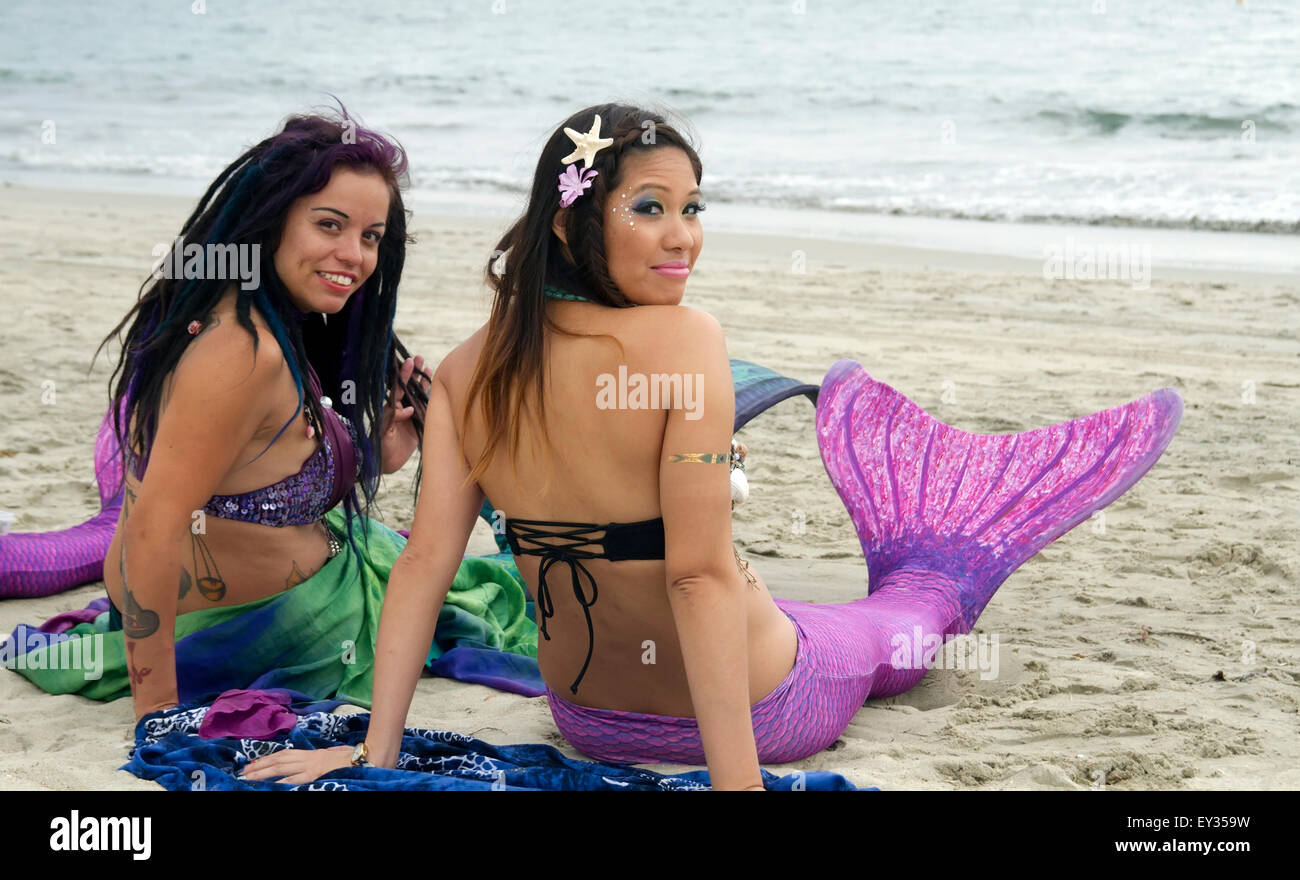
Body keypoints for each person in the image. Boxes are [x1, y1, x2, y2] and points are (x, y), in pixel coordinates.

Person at [243, 103, 1180, 789]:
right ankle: (938, 564)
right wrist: (738, 787)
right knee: (901, 624)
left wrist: (376, 755)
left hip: (591, 722)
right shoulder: (688, 340)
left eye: (694, 208)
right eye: (649, 207)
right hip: (762, 711)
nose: (683, 237)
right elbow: (694, 578)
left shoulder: (461, 370)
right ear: (573, 222)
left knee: (803, 600)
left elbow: (422, 569)